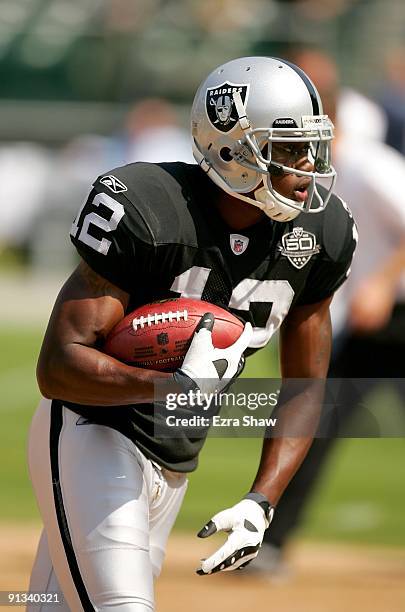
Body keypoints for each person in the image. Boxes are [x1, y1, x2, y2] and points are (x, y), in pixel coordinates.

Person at [27, 56, 356, 611]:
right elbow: (58, 366)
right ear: (232, 151)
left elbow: (306, 389)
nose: (307, 168)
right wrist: (170, 389)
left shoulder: (321, 234)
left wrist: (262, 501)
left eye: (311, 149)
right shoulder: (150, 207)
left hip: (175, 460)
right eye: (287, 150)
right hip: (94, 431)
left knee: (56, 605)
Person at [258, 48, 405, 574]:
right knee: (316, 417)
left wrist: (384, 284)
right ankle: (270, 545)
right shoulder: (312, 173)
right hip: (372, 330)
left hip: (396, 312)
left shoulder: (367, 164)